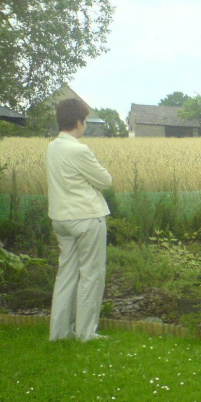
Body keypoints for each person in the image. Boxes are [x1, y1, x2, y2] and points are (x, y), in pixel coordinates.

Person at [46, 98, 112, 342]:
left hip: (61, 219)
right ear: (78, 122)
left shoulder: (52, 147)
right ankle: (85, 333)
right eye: (85, 121)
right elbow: (105, 180)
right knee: (91, 274)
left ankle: (59, 332)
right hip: (86, 218)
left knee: (66, 275)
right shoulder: (78, 149)